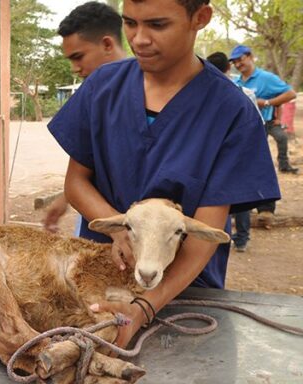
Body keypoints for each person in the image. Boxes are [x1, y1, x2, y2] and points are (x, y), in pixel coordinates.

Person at [48, 0, 280, 349]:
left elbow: (206, 232)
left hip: (184, 290)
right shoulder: (102, 89)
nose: (140, 39)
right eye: (130, 23)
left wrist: (145, 306)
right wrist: (121, 233)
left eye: (157, 25)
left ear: (199, 18)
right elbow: (76, 182)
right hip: (105, 275)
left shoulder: (230, 110)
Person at [42, 1, 128, 232]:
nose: (75, 68)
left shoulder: (151, 91)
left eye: (78, 57)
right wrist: (66, 198)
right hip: (100, 225)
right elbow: (87, 169)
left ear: (108, 44)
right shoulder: (94, 97)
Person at [230, 44, 298, 231]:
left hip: (263, 125)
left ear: (250, 56)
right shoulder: (237, 82)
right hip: (243, 128)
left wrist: (267, 102)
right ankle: (240, 206)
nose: (238, 64)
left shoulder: (266, 78)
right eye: (234, 61)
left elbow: (290, 93)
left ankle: (266, 208)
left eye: (240, 59)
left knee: (262, 164)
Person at [206, 51, 261, 252]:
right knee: (237, 199)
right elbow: (257, 126)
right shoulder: (244, 94)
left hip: (214, 156)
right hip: (239, 153)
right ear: (228, 68)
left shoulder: (202, 96)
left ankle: (226, 238)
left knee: (219, 199)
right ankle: (241, 238)